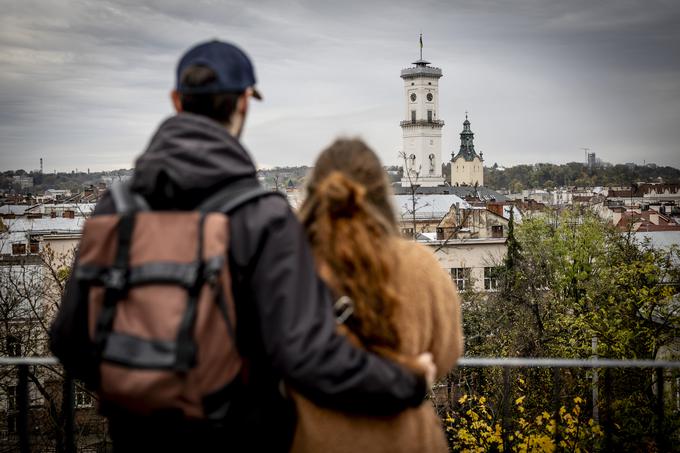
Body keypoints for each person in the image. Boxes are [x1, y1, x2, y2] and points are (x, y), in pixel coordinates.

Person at [49, 40, 434, 452]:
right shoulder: (263, 216)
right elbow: (307, 357)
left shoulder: (116, 208)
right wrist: (407, 380)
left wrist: (138, 387)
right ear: (245, 104)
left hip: (136, 437)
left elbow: (69, 339)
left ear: (176, 100)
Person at [292, 138, 464, 453]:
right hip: (406, 439)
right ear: (382, 196)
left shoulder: (289, 265)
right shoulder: (419, 266)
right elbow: (447, 353)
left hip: (311, 436)